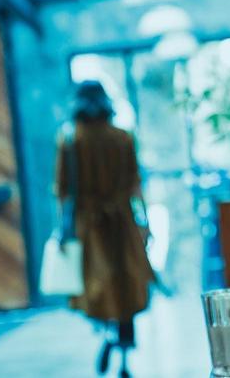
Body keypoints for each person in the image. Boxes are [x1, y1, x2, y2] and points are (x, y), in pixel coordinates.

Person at [55, 80, 154, 376]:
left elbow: (63, 192)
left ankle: (108, 335)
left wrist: (63, 229)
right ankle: (123, 350)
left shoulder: (70, 140)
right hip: (122, 224)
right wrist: (145, 222)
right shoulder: (122, 138)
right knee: (126, 287)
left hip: (89, 226)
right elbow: (135, 185)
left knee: (97, 289)